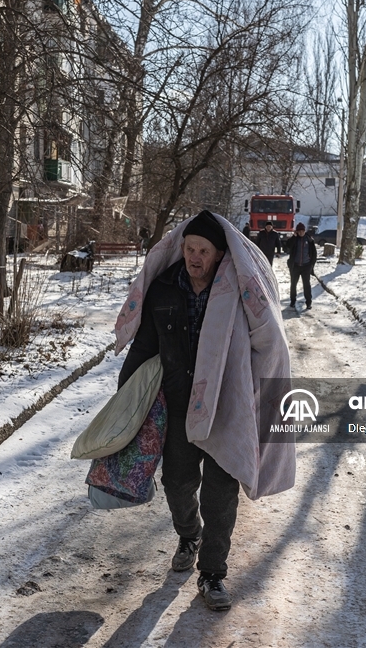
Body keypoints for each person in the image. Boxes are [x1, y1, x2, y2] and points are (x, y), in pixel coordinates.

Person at [115, 210, 293, 612]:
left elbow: (269, 342)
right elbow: (144, 347)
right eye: (190, 248)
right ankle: (188, 534)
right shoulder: (163, 290)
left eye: (204, 250)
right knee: (177, 484)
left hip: (227, 409)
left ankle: (213, 574)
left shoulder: (237, 294)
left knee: (220, 496)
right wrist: (125, 398)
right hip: (179, 407)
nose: (195, 257)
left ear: (218, 255)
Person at [285, 222, 317, 310]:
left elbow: (314, 253)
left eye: (302, 231)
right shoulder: (295, 239)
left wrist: (311, 265)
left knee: (306, 285)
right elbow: (287, 246)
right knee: (293, 284)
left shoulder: (309, 240)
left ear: (304, 231)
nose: (300, 233)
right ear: (297, 232)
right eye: (299, 231)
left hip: (306, 266)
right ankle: (292, 301)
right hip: (295, 266)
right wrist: (294, 237)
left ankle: (308, 302)